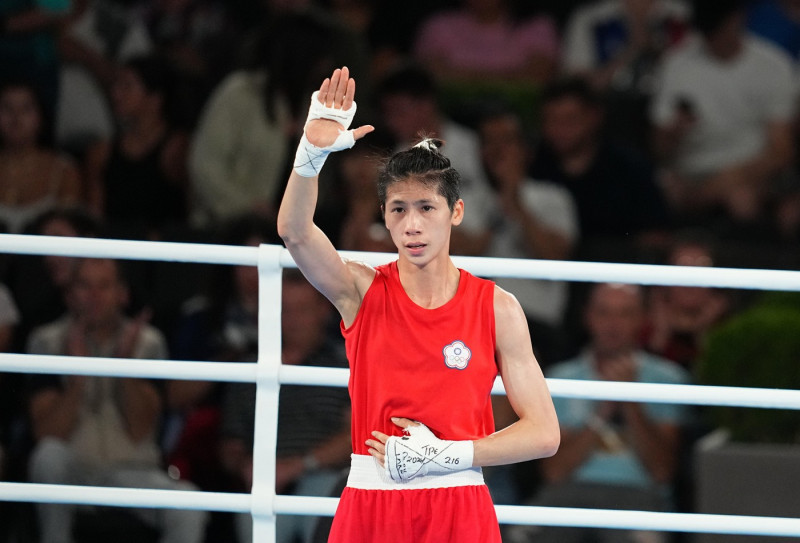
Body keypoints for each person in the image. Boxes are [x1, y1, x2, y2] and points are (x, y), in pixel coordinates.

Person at [277, 66, 560, 542]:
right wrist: (311, 156)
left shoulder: (497, 307)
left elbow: (544, 433)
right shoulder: (361, 290)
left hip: (459, 503)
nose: (412, 225)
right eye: (398, 209)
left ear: (456, 212)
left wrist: (448, 456)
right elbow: (295, 233)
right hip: (373, 502)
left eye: (426, 208)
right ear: (383, 217)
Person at [26, 257, 208, 543]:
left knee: (189, 507)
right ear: (69, 294)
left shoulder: (148, 342)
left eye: (104, 286)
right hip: (72, 468)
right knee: (47, 455)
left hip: (131, 471)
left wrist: (124, 365)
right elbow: (46, 433)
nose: (94, 296)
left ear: (122, 293)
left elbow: (140, 429)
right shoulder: (46, 341)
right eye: (85, 286)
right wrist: (78, 377)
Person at [507, 282, 691, 543]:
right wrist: (603, 411)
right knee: (519, 536)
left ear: (642, 318)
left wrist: (629, 401)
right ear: (588, 317)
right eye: (604, 313)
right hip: (567, 497)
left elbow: (661, 471)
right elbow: (555, 472)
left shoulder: (667, 379)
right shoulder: (561, 378)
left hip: (638, 496)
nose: (612, 324)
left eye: (624, 314)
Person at [650, 0, 796, 229]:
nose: (713, 39)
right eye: (707, 31)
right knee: (662, 191)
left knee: (741, 199)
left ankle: (748, 260)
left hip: (747, 172)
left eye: (718, 28)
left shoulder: (773, 65)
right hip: (689, 172)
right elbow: (659, 149)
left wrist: (725, 181)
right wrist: (674, 132)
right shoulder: (676, 64)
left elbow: (781, 149)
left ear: (737, 20)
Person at [0, 81, 83, 234]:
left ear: (41, 116)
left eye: (26, 108)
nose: (15, 117)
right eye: (7, 108)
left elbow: (67, 232)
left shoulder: (63, 170)